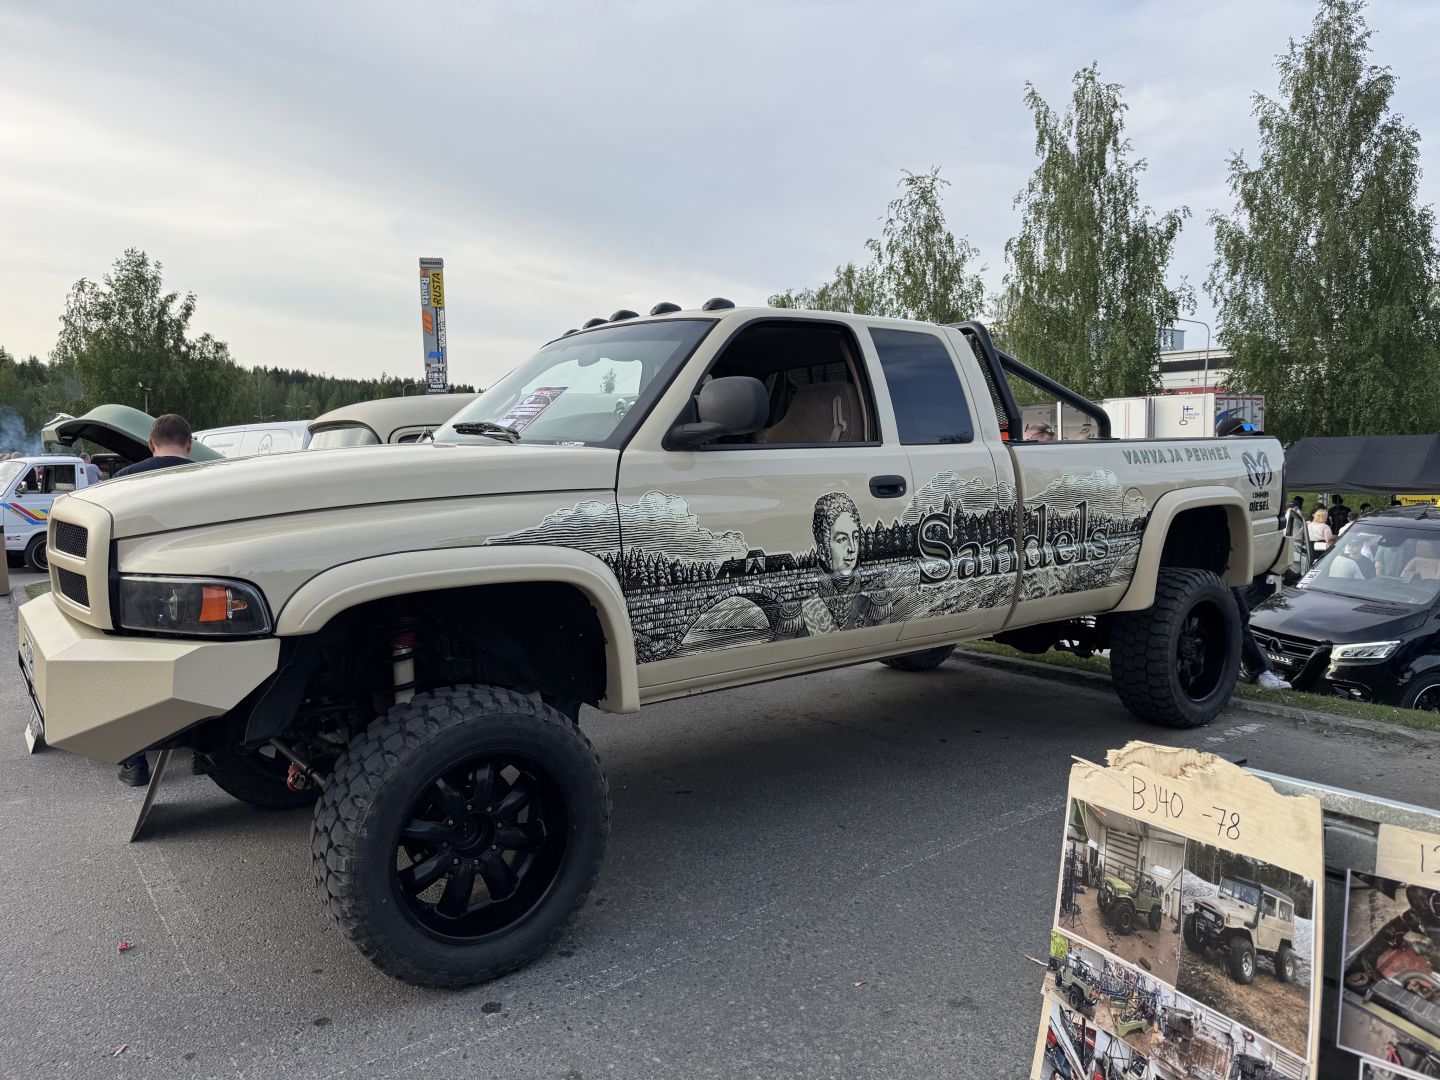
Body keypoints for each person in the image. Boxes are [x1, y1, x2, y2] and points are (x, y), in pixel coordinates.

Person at [114, 414, 195, 787]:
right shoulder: (207, 478)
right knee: (196, 670)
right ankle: (204, 757)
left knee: (133, 675)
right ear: (189, 444)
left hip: (139, 595)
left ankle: (134, 762)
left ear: (151, 444)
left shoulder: (127, 478)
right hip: (196, 592)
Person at [1213, 416, 1290, 689]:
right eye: (1240, 439)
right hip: (1211, 558)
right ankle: (1253, 672)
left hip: (1230, 558)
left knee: (1237, 615)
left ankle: (1252, 671)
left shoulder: (1251, 474)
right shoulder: (1213, 469)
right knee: (1234, 614)